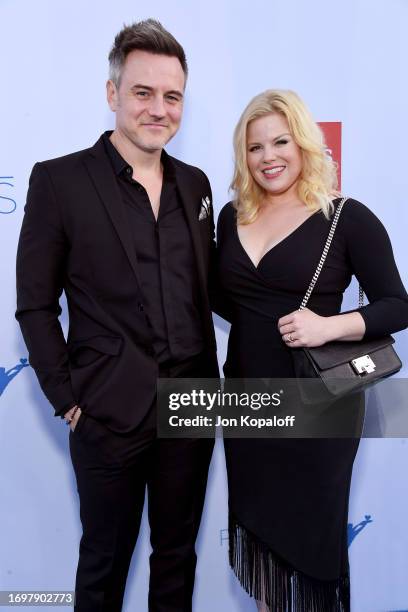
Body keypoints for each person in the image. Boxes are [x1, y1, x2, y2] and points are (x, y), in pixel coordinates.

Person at [16, 19, 218, 612]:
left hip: (195, 403)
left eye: (172, 96)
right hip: (107, 410)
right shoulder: (59, 181)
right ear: (112, 94)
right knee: (103, 565)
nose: (159, 109)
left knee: (177, 559)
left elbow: (208, 291)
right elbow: (34, 303)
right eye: (143, 92)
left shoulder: (196, 185)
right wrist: (69, 398)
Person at [216, 89, 408, 611]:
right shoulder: (230, 217)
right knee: (263, 541)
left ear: (303, 145)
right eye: (255, 147)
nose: (268, 157)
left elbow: (397, 305)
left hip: (319, 408)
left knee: (311, 546)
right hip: (248, 405)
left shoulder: (346, 217)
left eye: (281, 141)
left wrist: (330, 326)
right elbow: (225, 301)